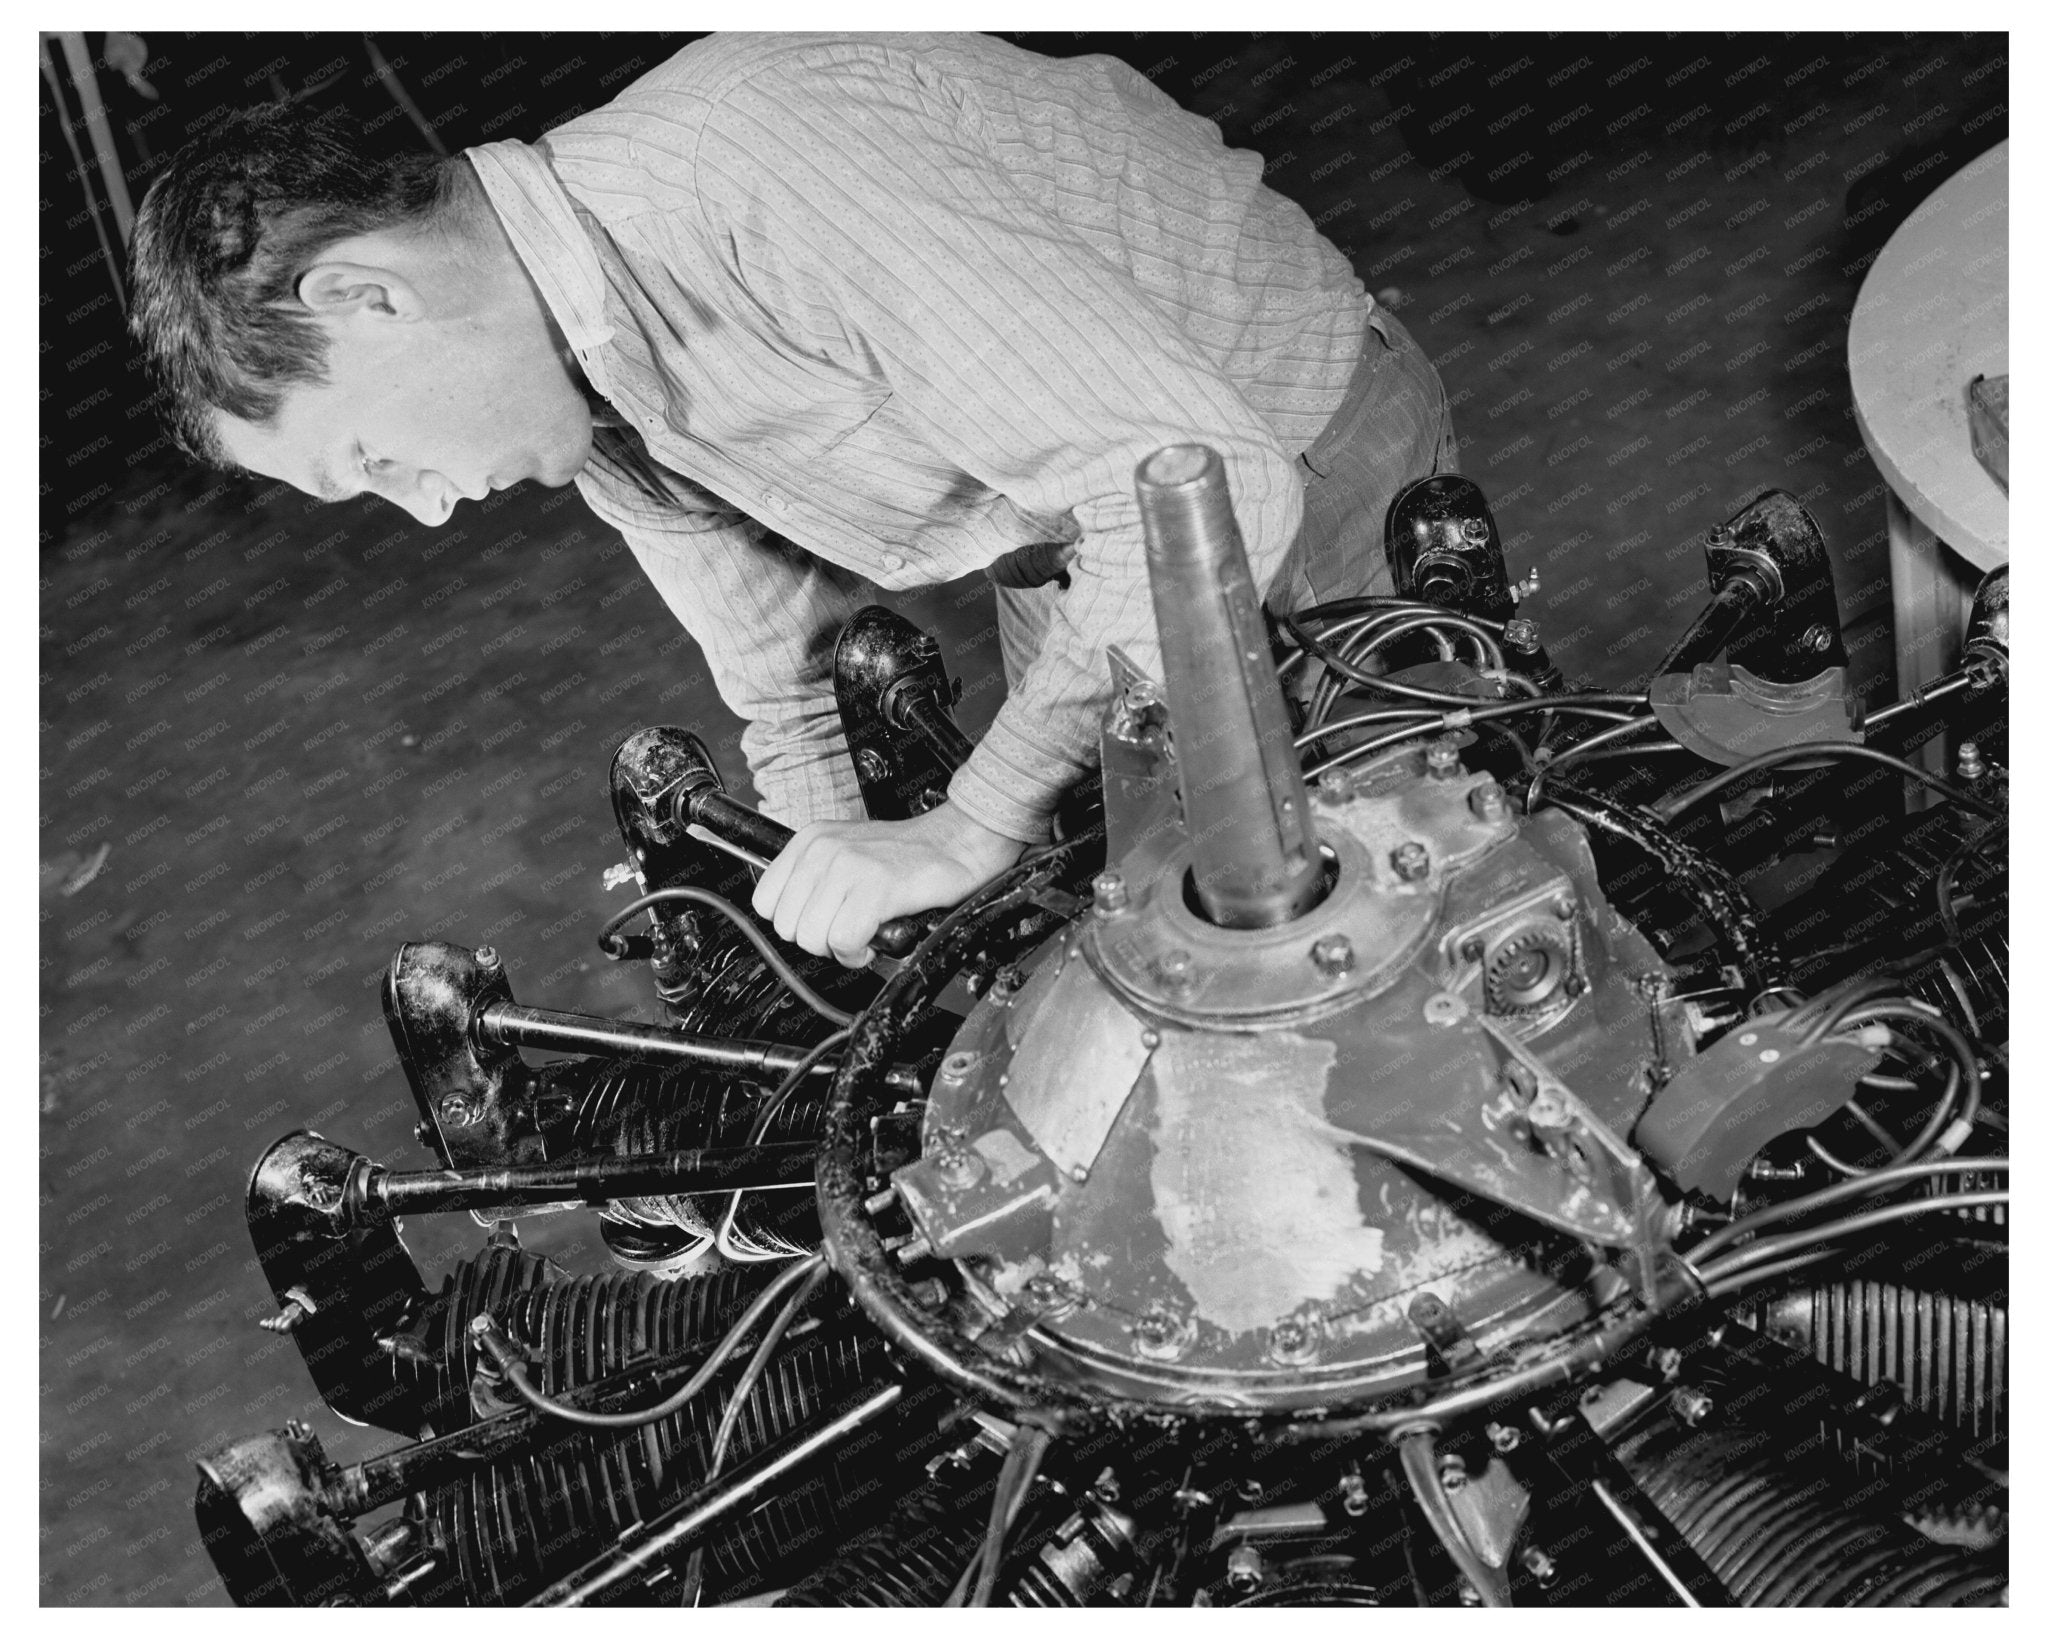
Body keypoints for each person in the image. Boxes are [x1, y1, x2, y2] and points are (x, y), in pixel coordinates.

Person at [129, 32, 1456, 966]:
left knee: (1388, 941)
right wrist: (829, 914)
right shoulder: (587, 391)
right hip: (1068, 542)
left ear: (369, 298)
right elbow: (791, 678)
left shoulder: (758, 171)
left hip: (1293, 462)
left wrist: (969, 825)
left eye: (371, 460)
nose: (423, 507)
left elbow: (1188, 486)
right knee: (1142, 942)